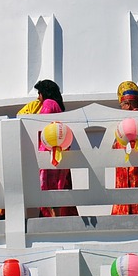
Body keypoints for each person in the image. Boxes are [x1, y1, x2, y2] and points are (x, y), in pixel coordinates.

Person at [31, 79, 78, 217]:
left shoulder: (48, 104)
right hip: (59, 149)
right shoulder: (57, 105)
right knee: (59, 184)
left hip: (49, 150)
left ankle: (52, 216)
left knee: (47, 186)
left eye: (39, 93)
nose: (38, 97)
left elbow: (40, 125)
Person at [111, 81, 138, 215]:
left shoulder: (129, 123)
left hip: (132, 170)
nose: (121, 109)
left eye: (122, 105)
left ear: (128, 104)